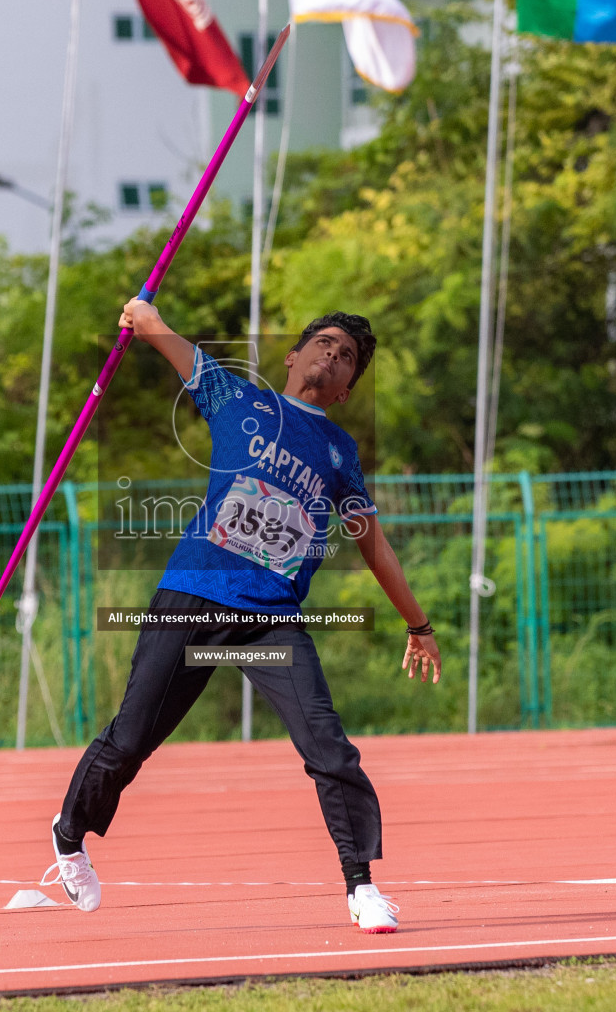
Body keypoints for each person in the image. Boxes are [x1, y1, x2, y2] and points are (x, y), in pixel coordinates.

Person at [41, 300, 443, 934]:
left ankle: (362, 886)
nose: (333, 356)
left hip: (269, 621)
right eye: (326, 343)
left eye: (347, 359)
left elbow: (373, 543)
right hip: (192, 598)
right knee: (131, 740)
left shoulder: (339, 451)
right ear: (294, 355)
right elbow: (160, 335)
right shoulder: (239, 400)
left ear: (344, 392)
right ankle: (69, 833)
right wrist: (141, 315)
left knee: (329, 747)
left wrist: (418, 624)